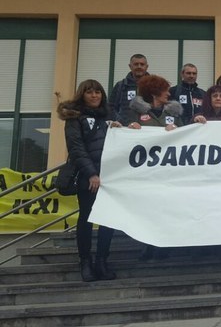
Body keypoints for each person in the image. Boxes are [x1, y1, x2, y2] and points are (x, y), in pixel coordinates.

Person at [58, 79, 118, 282]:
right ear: (81, 95)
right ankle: (85, 262)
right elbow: (76, 148)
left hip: (110, 177)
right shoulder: (74, 117)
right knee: (86, 219)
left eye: (98, 92)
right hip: (88, 177)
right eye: (90, 92)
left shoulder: (109, 115)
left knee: (108, 221)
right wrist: (92, 173)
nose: (94, 96)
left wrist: (121, 129)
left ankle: (102, 261)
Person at [123, 74, 183, 261]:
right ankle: (148, 243)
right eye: (165, 90)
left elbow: (186, 136)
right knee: (149, 210)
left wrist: (178, 132)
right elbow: (123, 133)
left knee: (167, 209)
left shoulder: (173, 113)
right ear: (155, 92)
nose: (169, 93)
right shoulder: (134, 112)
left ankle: (164, 244)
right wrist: (129, 129)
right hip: (146, 172)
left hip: (169, 172)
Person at [110, 53, 148, 123]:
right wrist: (120, 121)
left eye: (142, 64)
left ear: (147, 67)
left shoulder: (155, 86)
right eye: (136, 64)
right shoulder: (120, 86)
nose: (139, 66)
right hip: (125, 129)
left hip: (149, 129)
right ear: (130, 66)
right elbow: (111, 108)